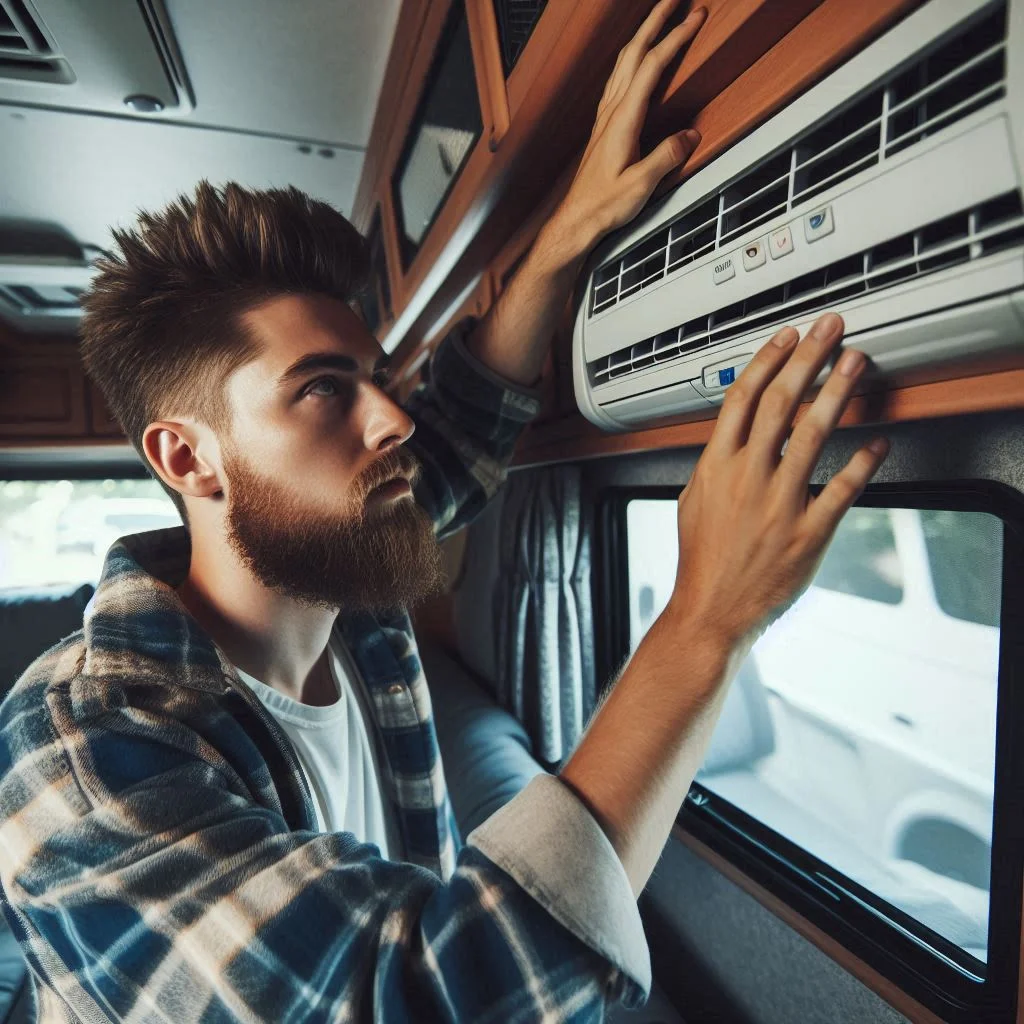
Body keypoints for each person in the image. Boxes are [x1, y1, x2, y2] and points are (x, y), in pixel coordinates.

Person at [0, 1, 889, 1020]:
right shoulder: (74, 753)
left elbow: (456, 444)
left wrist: (558, 244)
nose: (392, 419)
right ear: (187, 457)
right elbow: (436, 997)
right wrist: (705, 623)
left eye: (378, 378)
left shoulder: (349, 583)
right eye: (324, 388)